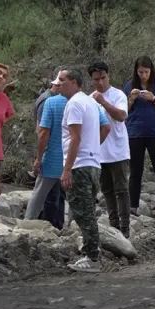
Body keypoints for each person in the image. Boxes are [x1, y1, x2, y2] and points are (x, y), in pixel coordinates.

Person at [58, 68, 111, 273]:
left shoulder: (74, 104)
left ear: (73, 82)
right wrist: (94, 150)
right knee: (87, 211)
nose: (58, 84)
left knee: (83, 213)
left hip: (80, 165)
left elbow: (75, 138)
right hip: (93, 164)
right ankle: (92, 253)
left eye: (62, 80)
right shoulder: (91, 102)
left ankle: (92, 257)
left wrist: (67, 169)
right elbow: (105, 128)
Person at [124, 56, 155, 215]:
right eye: (140, 72)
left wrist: (153, 99)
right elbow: (123, 111)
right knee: (135, 171)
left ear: (151, 71)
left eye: (146, 72)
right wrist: (131, 99)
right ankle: (133, 207)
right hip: (135, 133)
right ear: (136, 72)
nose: (143, 75)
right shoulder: (129, 86)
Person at [89, 60, 131, 238]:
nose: (100, 82)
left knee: (121, 189)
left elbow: (121, 116)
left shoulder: (118, 95)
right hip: (100, 151)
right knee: (106, 190)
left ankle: (125, 227)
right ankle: (114, 226)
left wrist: (104, 102)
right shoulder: (90, 98)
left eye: (103, 78)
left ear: (108, 76)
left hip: (118, 150)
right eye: (96, 79)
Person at [26, 74, 67, 228]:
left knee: (54, 194)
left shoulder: (53, 99)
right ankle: (35, 224)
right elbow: (42, 131)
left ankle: (55, 225)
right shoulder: (48, 101)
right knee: (47, 194)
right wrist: (39, 157)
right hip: (51, 155)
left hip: (55, 155)